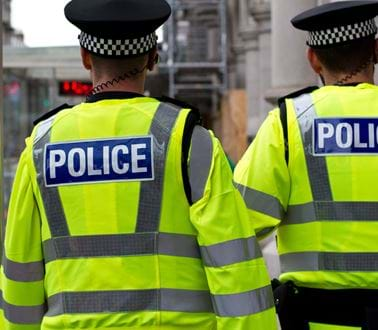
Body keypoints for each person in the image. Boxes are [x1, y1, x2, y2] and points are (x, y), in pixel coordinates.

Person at [0, 0, 277, 329]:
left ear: (85, 57)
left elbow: (20, 275)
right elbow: (235, 265)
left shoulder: (41, 147)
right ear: (153, 58)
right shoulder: (188, 139)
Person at [234, 1, 378, 329]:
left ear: (312, 59)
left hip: (317, 319)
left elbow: (239, 222)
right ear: (377, 50)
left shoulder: (289, 124)